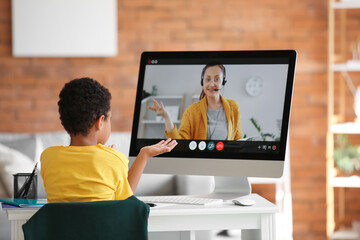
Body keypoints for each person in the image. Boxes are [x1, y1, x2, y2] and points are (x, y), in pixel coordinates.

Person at [40, 77, 177, 203]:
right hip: (101, 230)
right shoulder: (115, 159)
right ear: (100, 121)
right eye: (109, 118)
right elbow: (125, 200)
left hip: (61, 230)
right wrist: (144, 155)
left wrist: (104, 156)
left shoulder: (48, 157)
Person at [148, 63, 242, 140]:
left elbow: (238, 140)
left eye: (217, 79)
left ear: (223, 82)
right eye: (208, 79)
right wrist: (166, 117)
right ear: (203, 82)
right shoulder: (191, 111)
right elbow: (179, 144)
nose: (212, 84)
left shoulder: (233, 106)